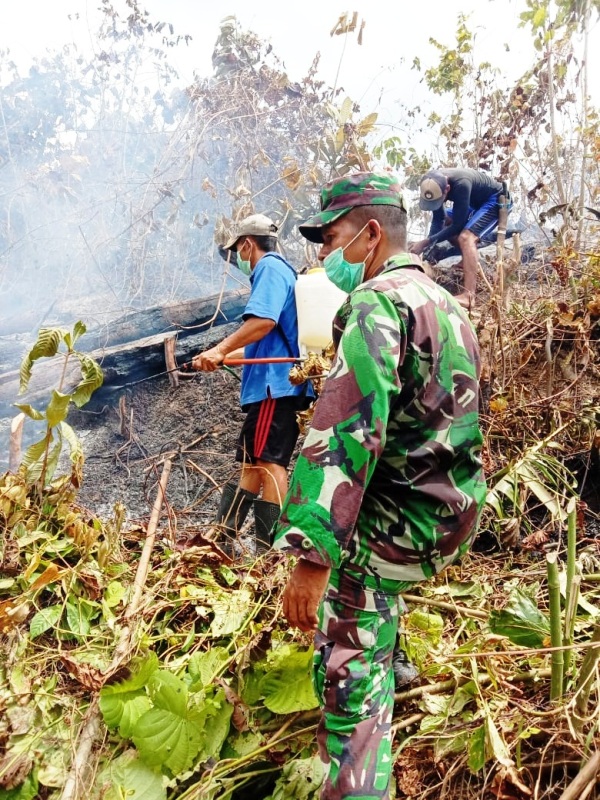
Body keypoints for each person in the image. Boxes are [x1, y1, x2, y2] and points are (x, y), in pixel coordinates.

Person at [272, 172, 486, 800]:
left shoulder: (373, 303)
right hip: (448, 516)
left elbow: (343, 439)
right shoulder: (442, 300)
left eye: (330, 238)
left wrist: (313, 556)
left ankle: (361, 755)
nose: (323, 256)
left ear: (368, 236)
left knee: (348, 686)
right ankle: (395, 658)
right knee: (376, 586)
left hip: (396, 529)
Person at [192, 213, 310, 554]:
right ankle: (223, 540)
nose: (237, 261)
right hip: (273, 384)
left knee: (271, 464)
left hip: (276, 385)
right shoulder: (279, 272)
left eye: (237, 253)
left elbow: (264, 322)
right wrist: (222, 357)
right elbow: (260, 340)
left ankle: (270, 553)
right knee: (251, 464)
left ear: (247, 244)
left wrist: (220, 347)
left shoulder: (270, 268)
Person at [409, 167, 512, 309]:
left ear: (447, 189)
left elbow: (457, 225)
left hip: (495, 199)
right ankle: (467, 260)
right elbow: (439, 219)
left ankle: (469, 296)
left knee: (466, 237)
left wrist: (426, 242)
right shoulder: (432, 182)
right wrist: (426, 251)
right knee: (446, 222)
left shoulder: (461, 184)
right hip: (474, 204)